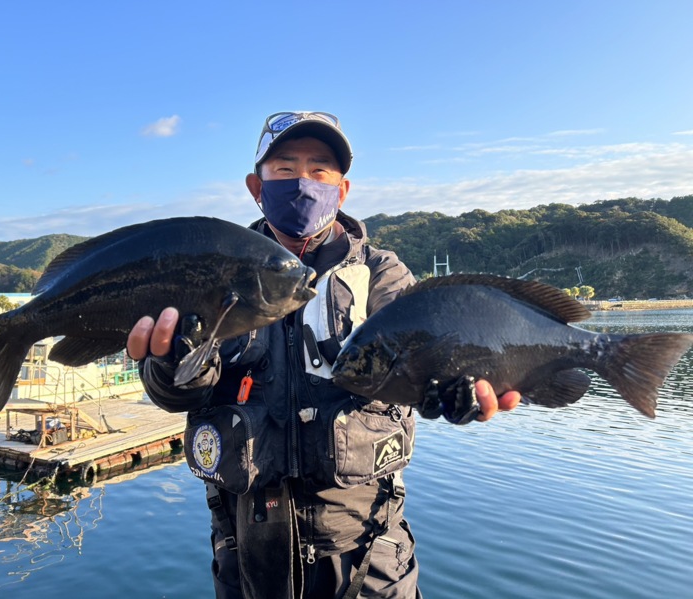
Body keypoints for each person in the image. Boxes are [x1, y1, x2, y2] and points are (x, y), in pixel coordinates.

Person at [126, 111, 521, 599]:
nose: (303, 182)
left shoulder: (383, 274)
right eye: (285, 168)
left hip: (370, 556)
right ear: (256, 187)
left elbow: (426, 361)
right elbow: (173, 394)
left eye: (320, 170)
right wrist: (169, 364)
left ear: (342, 189)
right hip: (245, 553)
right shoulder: (214, 270)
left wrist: (452, 390)